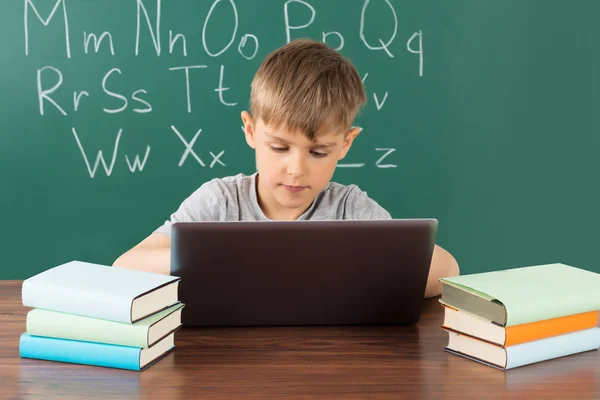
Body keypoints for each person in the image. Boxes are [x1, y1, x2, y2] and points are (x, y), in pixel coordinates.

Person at [113, 38, 459, 298]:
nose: (296, 169)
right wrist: (224, 256)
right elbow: (126, 267)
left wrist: (331, 260)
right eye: (279, 147)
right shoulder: (221, 201)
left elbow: (446, 271)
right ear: (250, 131)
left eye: (319, 152)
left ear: (345, 144)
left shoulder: (348, 208)